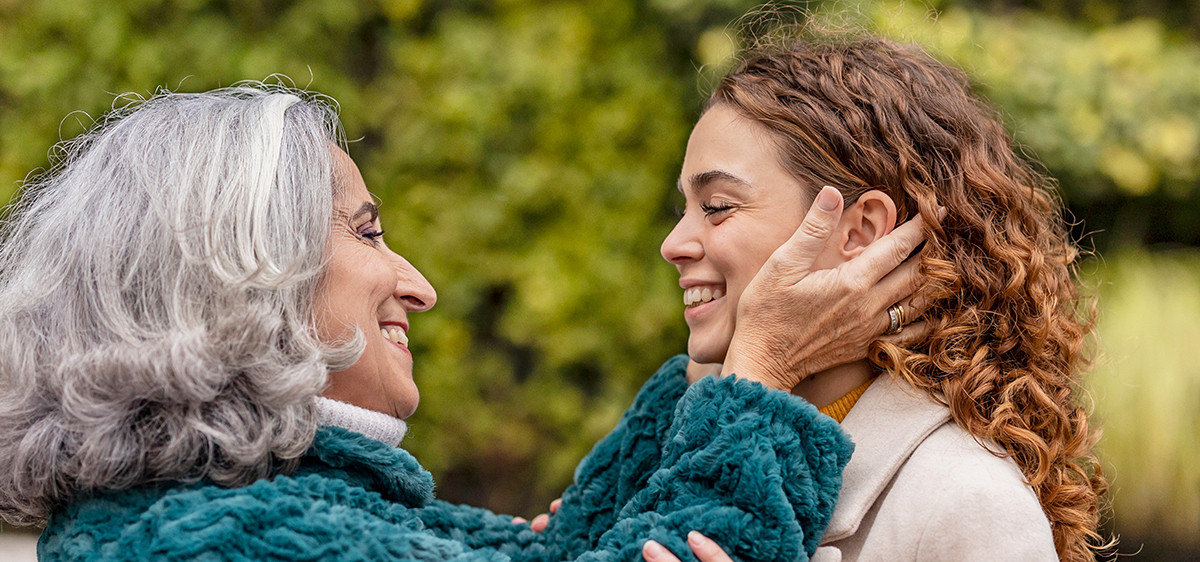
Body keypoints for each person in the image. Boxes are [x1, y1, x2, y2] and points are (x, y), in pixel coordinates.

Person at [0, 84, 927, 561]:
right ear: (241, 277)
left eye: (718, 210)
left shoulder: (271, 504)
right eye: (366, 232)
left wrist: (725, 363)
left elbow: (549, 555)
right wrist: (759, 375)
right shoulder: (219, 542)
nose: (418, 284)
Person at [638, 31, 1108, 561]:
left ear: (858, 233)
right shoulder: (671, 440)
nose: (673, 244)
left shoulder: (967, 502)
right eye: (685, 208)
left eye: (718, 205)